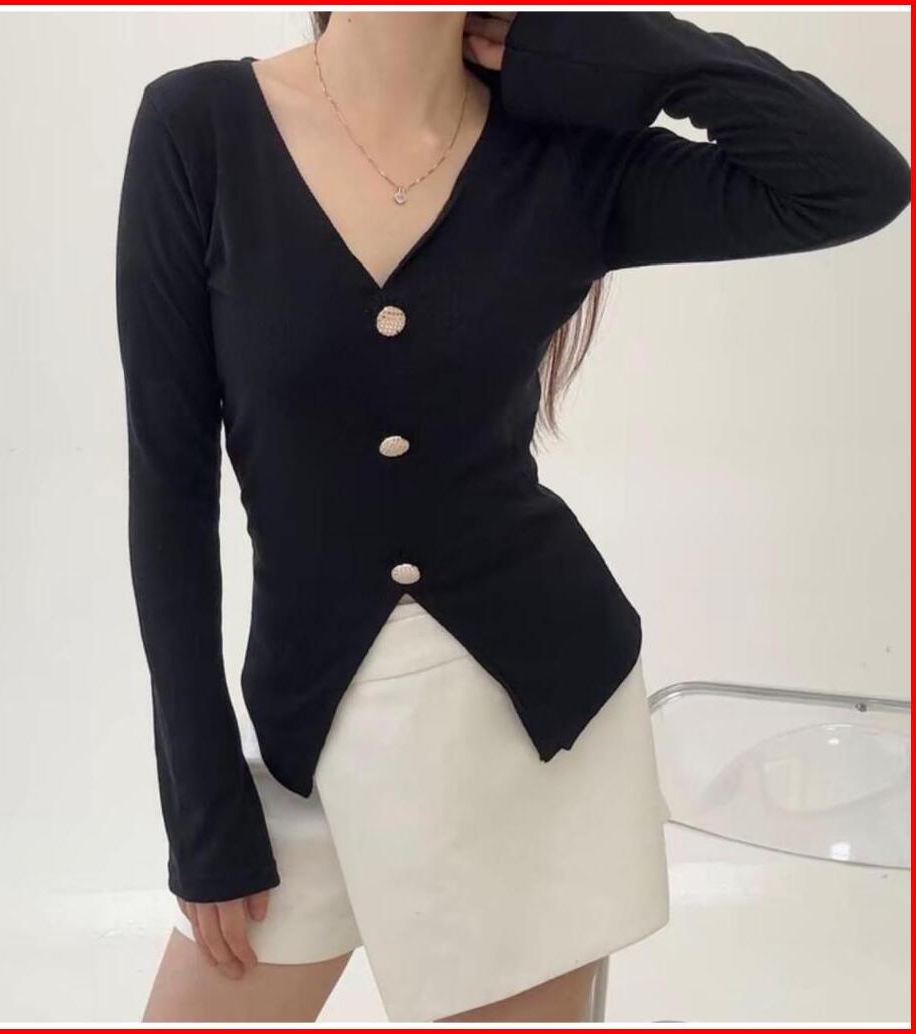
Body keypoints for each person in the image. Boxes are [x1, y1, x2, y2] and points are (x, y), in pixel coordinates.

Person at [115, 10, 911, 1023]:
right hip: (306, 731)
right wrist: (199, 804)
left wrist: (624, 47)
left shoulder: (564, 156)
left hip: (526, 734)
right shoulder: (199, 126)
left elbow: (852, 183)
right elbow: (168, 490)